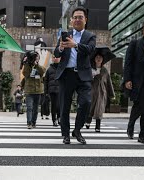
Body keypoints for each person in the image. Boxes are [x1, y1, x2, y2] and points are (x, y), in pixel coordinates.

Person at [54, 6, 96, 144]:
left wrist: (76, 45)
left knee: (86, 102)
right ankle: (65, 134)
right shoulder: (65, 34)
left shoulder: (90, 36)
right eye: (75, 17)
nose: (77, 19)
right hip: (66, 74)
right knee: (64, 106)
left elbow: (90, 50)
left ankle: (77, 130)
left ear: (85, 20)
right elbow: (56, 53)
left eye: (80, 17)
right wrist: (60, 47)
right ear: (71, 20)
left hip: (83, 75)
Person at [85, 53, 115, 132]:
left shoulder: (104, 70)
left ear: (102, 60)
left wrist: (111, 94)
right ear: (94, 59)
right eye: (97, 57)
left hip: (102, 93)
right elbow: (86, 80)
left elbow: (109, 82)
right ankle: (88, 121)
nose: (98, 59)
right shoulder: (91, 69)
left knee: (99, 109)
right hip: (92, 92)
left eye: (100, 58)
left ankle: (97, 127)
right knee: (90, 108)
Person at [22, 51, 46, 129]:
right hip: (29, 90)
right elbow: (25, 74)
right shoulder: (27, 66)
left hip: (38, 91)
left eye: (37, 57)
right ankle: (29, 123)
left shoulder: (40, 67)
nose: (36, 58)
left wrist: (37, 65)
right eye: (35, 57)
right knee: (29, 107)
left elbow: (42, 71)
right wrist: (26, 63)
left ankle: (34, 122)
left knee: (35, 109)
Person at [44, 55, 60, 126]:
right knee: (54, 105)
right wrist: (46, 92)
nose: (56, 58)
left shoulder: (62, 68)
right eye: (54, 57)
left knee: (60, 105)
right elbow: (46, 81)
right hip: (52, 90)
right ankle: (54, 120)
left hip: (60, 89)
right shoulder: (49, 69)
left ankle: (59, 118)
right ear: (52, 59)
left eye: (57, 57)